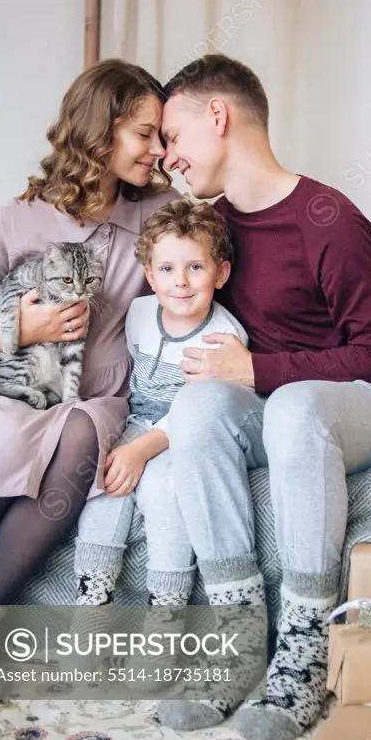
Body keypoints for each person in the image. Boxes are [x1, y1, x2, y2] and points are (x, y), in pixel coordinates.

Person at [156, 54, 371, 740]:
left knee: (296, 404)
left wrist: (258, 367)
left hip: (361, 403)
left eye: (174, 136)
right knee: (197, 407)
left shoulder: (327, 218)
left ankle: (302, 648)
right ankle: (238, 637)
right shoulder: (210, 230)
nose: (168, 157)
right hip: (272, 401)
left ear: (219, 116)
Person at [0, 59, 178, 639]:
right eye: (145, 134)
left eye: (162, 137)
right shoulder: (13, 223)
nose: (159, 151)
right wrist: (25, 331)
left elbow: (208, 270)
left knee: (81, 430)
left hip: (99, 398)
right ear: (98, 130)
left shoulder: (158, 217)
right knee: (7, 436)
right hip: (13, 394)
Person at [74, 197, 247, 611]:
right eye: (167, 269)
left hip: (184, 435)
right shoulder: (137, 313)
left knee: (166, 491)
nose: (181, 282)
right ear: (150, 276)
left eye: (196, 267)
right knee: (106, 487)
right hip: (134, 421)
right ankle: (91, 604)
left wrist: (143, 449)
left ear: (221, 273)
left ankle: (167, 608)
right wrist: (127, 445)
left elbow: (208, 409)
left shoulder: (225, 338)